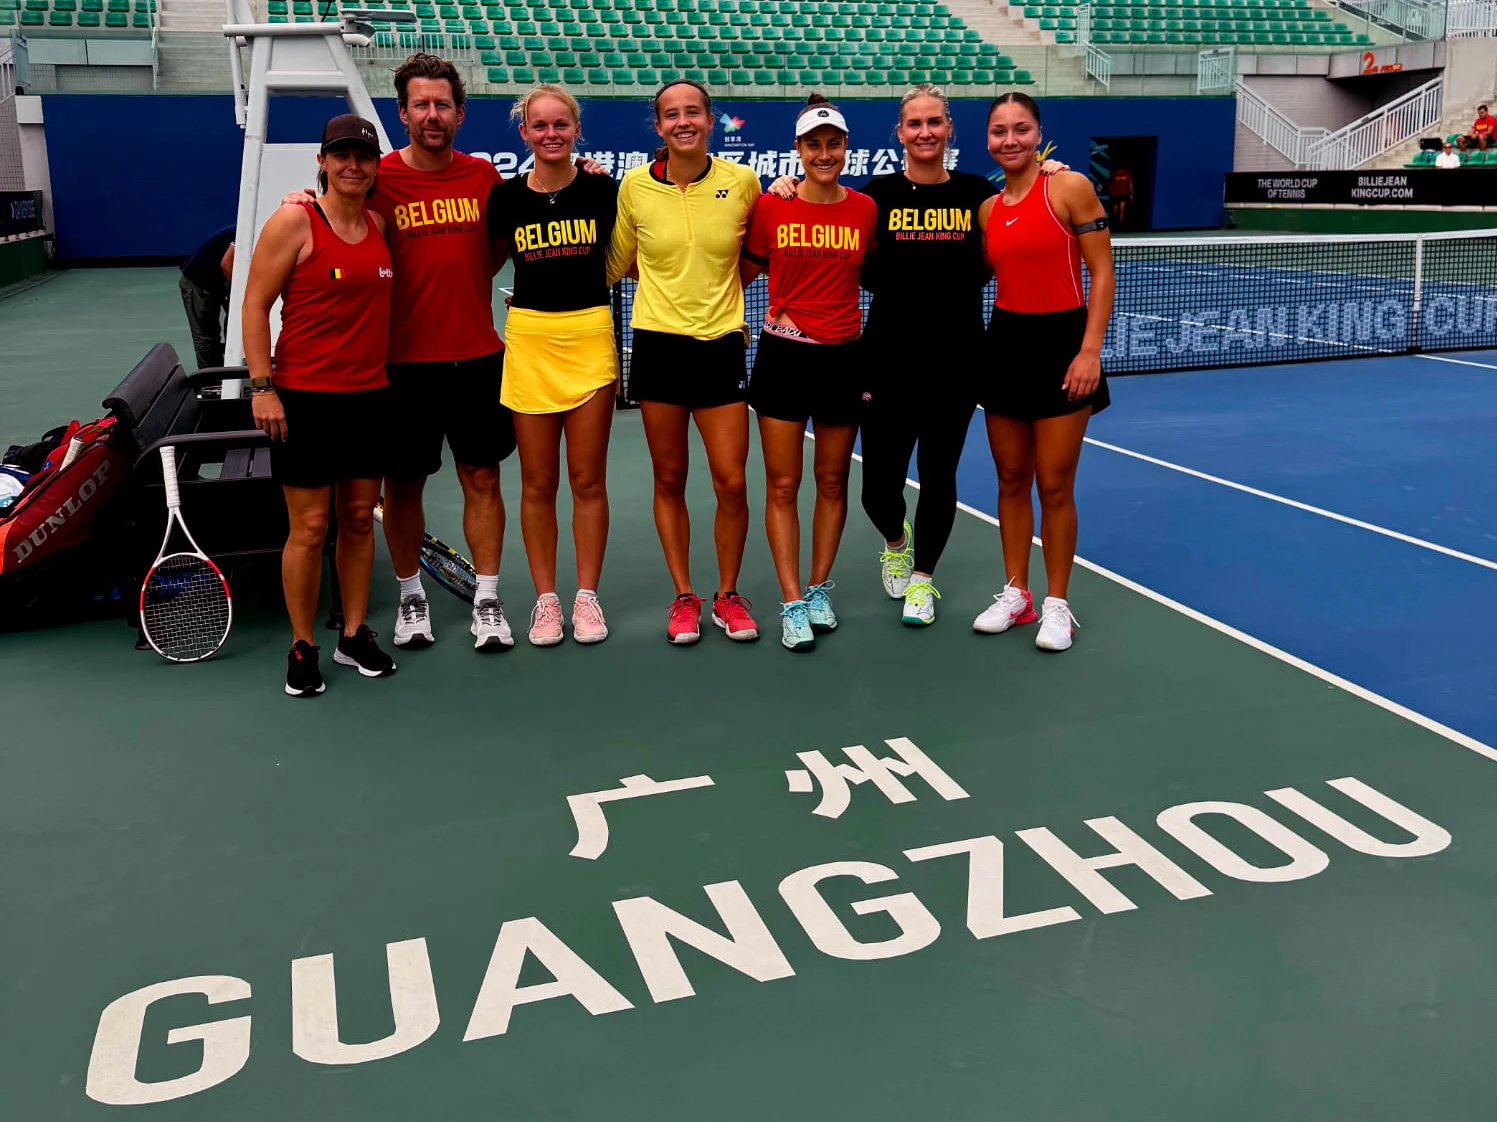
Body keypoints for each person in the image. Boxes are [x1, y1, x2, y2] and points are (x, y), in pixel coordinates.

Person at [858, 82, 1064, 627]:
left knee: (939, 473)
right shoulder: (875, 196)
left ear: (949, 129)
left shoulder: (979, 195)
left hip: (957, 362)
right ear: (900, 133)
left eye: (935, 122)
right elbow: (828, 213)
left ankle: (923, 579)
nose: (925, 132)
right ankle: (896, 538)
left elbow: (1025, 206)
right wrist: (785, 186)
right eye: (914, 123)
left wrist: (1050, 173)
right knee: (878, 486)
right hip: (886, 360)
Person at [243, 114, 397, 696]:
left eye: (363, 155)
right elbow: (255, 305)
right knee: (309, 527)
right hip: (303, 399)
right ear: (323, 161)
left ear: (375, 164)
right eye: (342, 155)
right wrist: (264, 389)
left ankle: (353, 632)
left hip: (369, 398)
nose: (353, 165)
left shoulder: (380, 222)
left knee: (358, 520)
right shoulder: (295, 221)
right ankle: (302, 643)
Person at [606, 79, 763, 645]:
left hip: (721, 346)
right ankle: (683, 596)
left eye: (692, 112)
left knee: (732, 482)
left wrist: (720, 292)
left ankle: (727, 594)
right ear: (659, 126)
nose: (683, 122)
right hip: (658, 347)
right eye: (671, 115)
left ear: (710, 119)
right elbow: (618, 260)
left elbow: (756, 254)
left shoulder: (742, 183)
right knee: (669, 478)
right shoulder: (633, 188)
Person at [973, 93, 1115, 653]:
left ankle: (1056, 604)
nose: (1010, 140)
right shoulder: (987, 209)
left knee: (1054, 485)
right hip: (1005, 346)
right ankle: (1016, 594)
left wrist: (1089, 351)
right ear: (987, 138)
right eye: (999, 131)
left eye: (1021, 129)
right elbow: (975, 277)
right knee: (1010, 480)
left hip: (1063, 346)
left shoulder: (1070, 188)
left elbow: (1101, 271)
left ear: (1038, 134)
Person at [739, 94, 877, 651]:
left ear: (845, 148)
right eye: (813, 144)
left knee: (833, 480)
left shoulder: (865, 210)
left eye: (833, 143)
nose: (824, 153)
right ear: (797, 150)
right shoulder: (771, 207)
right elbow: (739, 274)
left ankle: (820, 587)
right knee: (783, 484)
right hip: (784, 356)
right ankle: (792, 598)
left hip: (844, 357)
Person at [488, 83, 618, 646]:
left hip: (590, 335)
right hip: (531, 340)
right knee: (537, 483)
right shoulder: (506, 199)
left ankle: (586, 597)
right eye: (539, 126)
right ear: (524, 134)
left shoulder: (601, 189)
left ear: (576, 129)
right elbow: (485, 262)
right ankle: (546, 601)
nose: (550, 134)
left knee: (587, 480)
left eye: (561, 124)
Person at [178, 224, 235, 371]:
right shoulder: (245, 231)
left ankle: (226, 373)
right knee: (205, 337)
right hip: (197, 282)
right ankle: (210, 382)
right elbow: (226, 264)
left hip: (218, 281)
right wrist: (239, 293)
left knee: (231, 327)